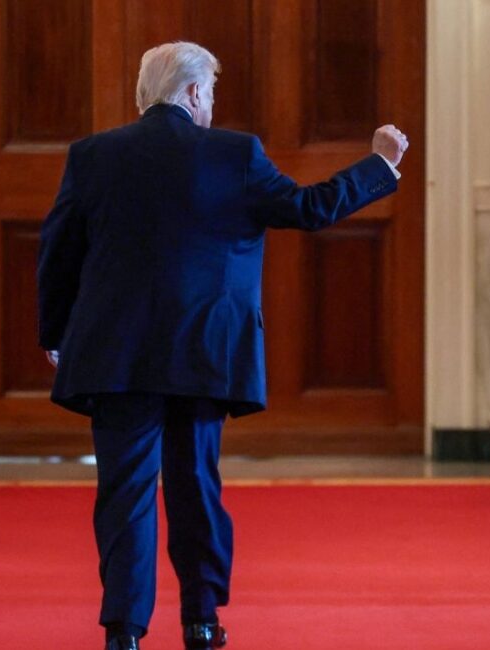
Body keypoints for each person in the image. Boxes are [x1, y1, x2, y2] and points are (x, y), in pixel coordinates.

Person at [37, 42, 407, 650]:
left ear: (143, 96)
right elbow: (308, 209)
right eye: (209, 92)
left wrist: (56, 333)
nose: (211, 105)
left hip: (115, 356)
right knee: (195, 484)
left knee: (125, 493)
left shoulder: (93, 156)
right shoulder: (235, 156)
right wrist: (379, 165)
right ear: (190, 94)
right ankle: (201, 620)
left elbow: (58, 251)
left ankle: (124, 633)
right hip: (203, 354)